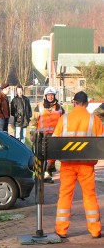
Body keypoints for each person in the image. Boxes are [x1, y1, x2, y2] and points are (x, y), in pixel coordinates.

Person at [52, 91, 103, 239]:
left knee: (65, 196)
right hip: (87, 165)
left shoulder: (64, 119)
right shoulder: (94, 120)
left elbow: (55, 142)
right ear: (86, 104)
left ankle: (61, 230)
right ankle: (95, 230)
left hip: (68, 165)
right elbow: (101, 144)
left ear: (74, 103)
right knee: (90, 195)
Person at [30, 86, 65, 182]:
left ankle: (48, 175)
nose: (50, 97)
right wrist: (33, 133)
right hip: (41, 136)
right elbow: (33, 121)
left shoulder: (60, 108)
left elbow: (64, 122)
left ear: (54, 96)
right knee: (39, 155)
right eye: (48, 95)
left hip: (54, 137)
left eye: (52, 95)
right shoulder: (39, 106)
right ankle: (38, 175)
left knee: (51, 157)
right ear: (45, 96)